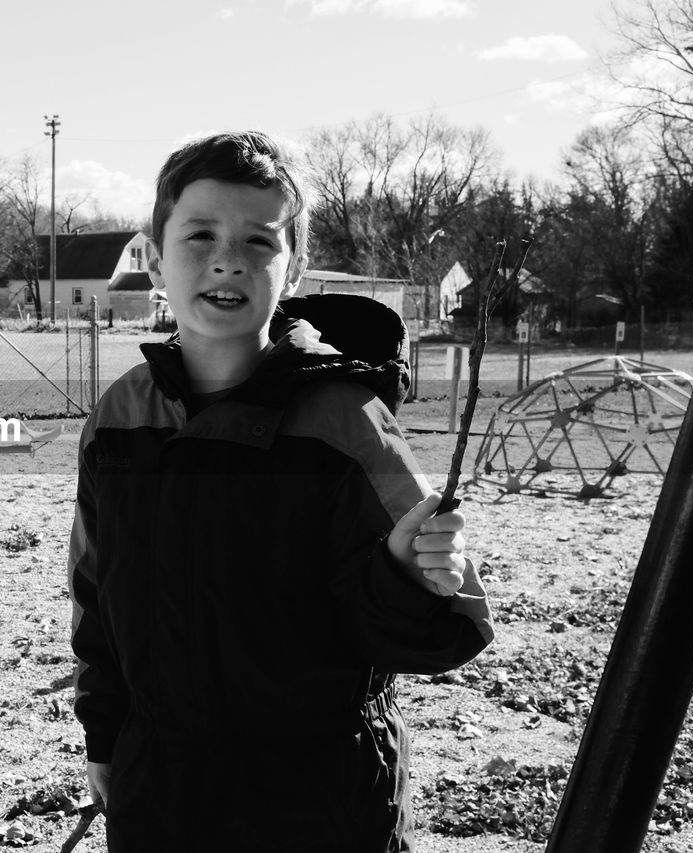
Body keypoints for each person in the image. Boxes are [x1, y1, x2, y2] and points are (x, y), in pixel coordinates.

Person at [66, 131, 494, 852]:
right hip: (160, 779)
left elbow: (451, 625)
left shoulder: (348, 422)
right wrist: (105, 737)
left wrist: (407, 573)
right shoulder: (119, 418)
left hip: (317, 793)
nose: (228, 257)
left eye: (260, 241)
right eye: (200, 233)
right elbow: (95, 595)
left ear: (291, 264)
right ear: (155, 255)